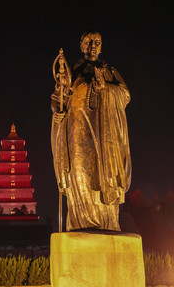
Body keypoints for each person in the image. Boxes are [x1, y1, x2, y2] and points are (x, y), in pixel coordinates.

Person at [51, 31, 131, 231]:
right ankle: (81, 223)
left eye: (97, 42)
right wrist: (58, 112)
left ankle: (107, 223)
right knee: (79, 173)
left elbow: (125, 95)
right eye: (89, 41)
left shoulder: (108, 70)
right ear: (82, 46)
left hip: (104, 133)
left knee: (104, 175)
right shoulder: (74, 71)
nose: (93, 45)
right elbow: (58, 97)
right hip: (77, 129)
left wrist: (106, 88)